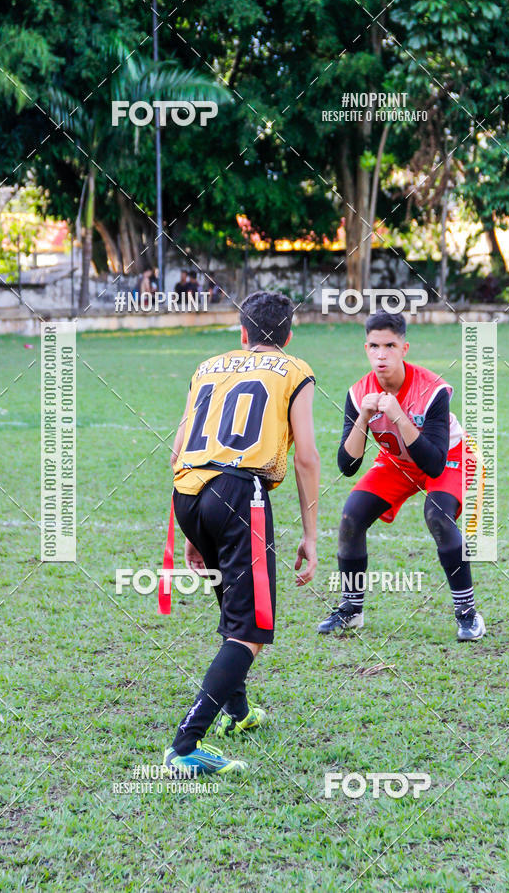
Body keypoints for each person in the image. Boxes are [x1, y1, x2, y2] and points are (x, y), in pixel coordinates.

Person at [164, 290, 320, 777]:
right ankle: (184, 747)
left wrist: (194, 528)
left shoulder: (208, 366)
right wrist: (311, 535)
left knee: (234, 611)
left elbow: (178, 447)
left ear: (242, 333)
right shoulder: (296, 370)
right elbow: (307, 456)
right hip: (238, 493)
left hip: (188, 491)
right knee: (250, 632)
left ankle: (239, 714)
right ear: (288, 335)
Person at [318, 310, 486, 642]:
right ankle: (352, 609)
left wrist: (397, 415)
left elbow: (434, 463)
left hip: (451, 456)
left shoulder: (433, 389)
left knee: (437, 515)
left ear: (404, 348)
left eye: (390, 346)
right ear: (365, 348)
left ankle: (468, 613)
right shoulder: (358, 393)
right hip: (398, 462)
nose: (382, 355)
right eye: (375, 346)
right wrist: (363, 417)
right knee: (352, 516)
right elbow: (347, 465)